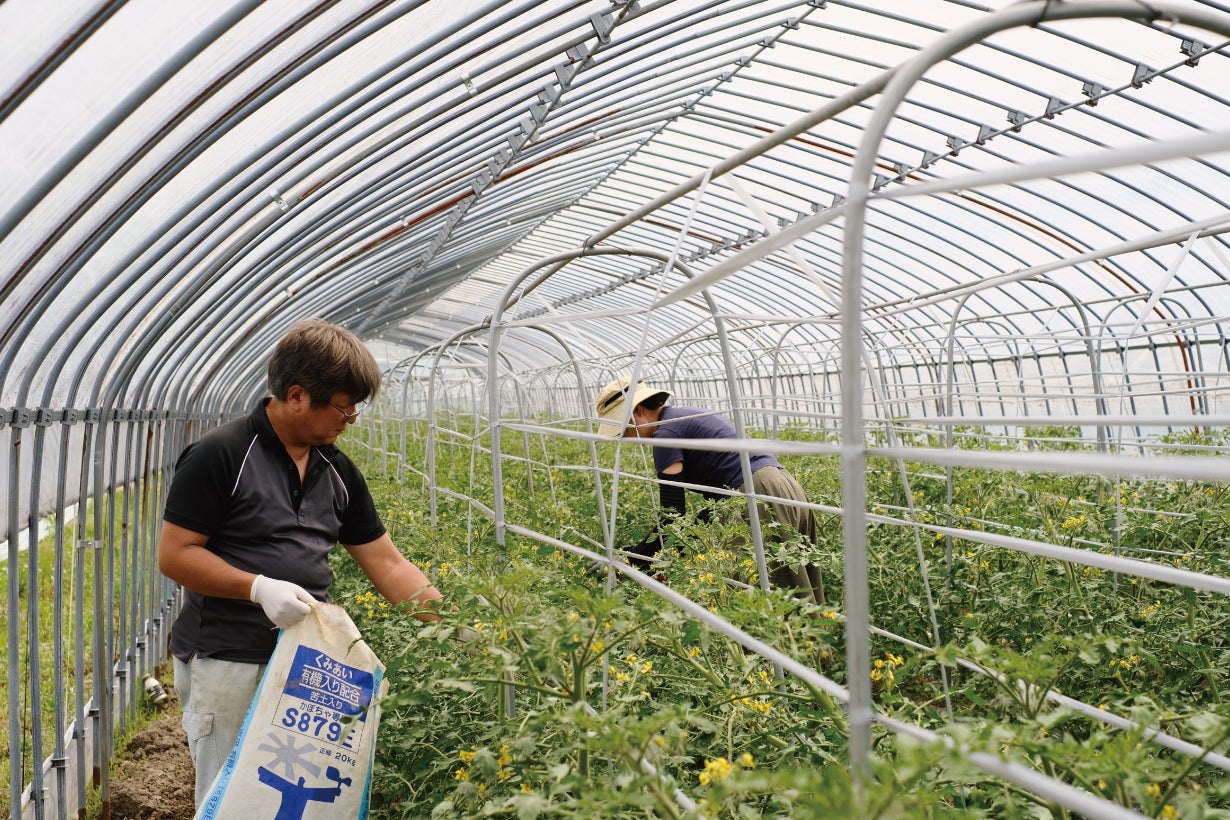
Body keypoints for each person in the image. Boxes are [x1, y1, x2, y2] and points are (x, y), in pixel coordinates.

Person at [159, 318, 444, 808]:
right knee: (231, 803)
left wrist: (456, 623)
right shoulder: (222, 454)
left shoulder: (337, 470)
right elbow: (175, 554)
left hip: (306, 662)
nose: (350, 420)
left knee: (294, 803)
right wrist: (258, 588)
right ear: (296, 396)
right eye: (343, 407)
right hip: (228, 659)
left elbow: (388, 564)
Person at [594, 376, 825, 605]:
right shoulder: (683, 416)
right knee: (798, 583)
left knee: (752, 594)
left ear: (638, 411)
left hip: (758, 493)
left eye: (622, 428)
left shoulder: (665, 436)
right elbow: (711, 503)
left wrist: (631, 558)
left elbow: (672, 516)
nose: (623, 437)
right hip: (783, 484)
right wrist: (673, 546)